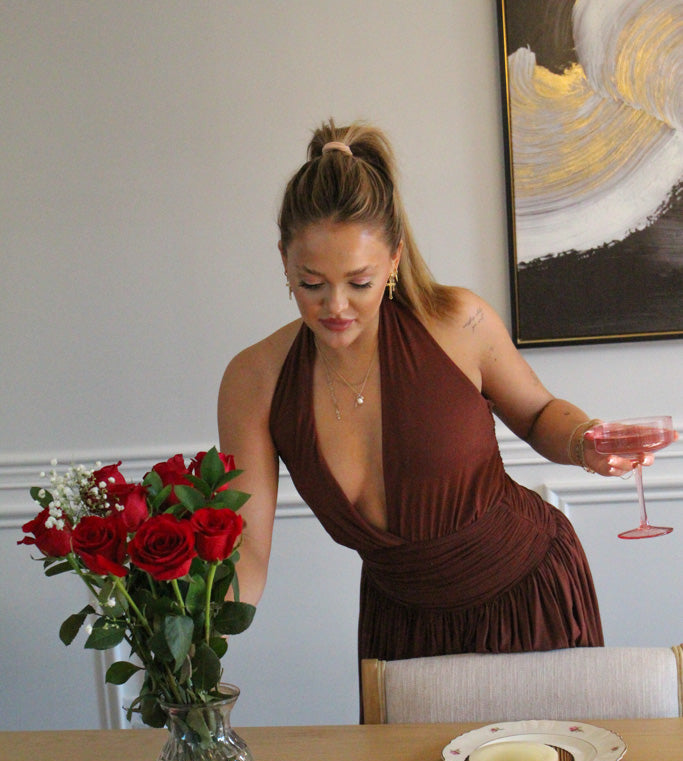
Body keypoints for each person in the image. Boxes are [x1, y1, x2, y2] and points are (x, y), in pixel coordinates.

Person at [217, 120, 645, 712]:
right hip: (401, 626)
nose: (335, 306)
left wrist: (584, 440)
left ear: (393, 259)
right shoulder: (254, 380)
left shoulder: (458, 321)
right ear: (283, 260)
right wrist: (193, 630)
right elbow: (246, 548)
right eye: (311, 283)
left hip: (526, 592)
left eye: (359, 282)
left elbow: (540, 411)